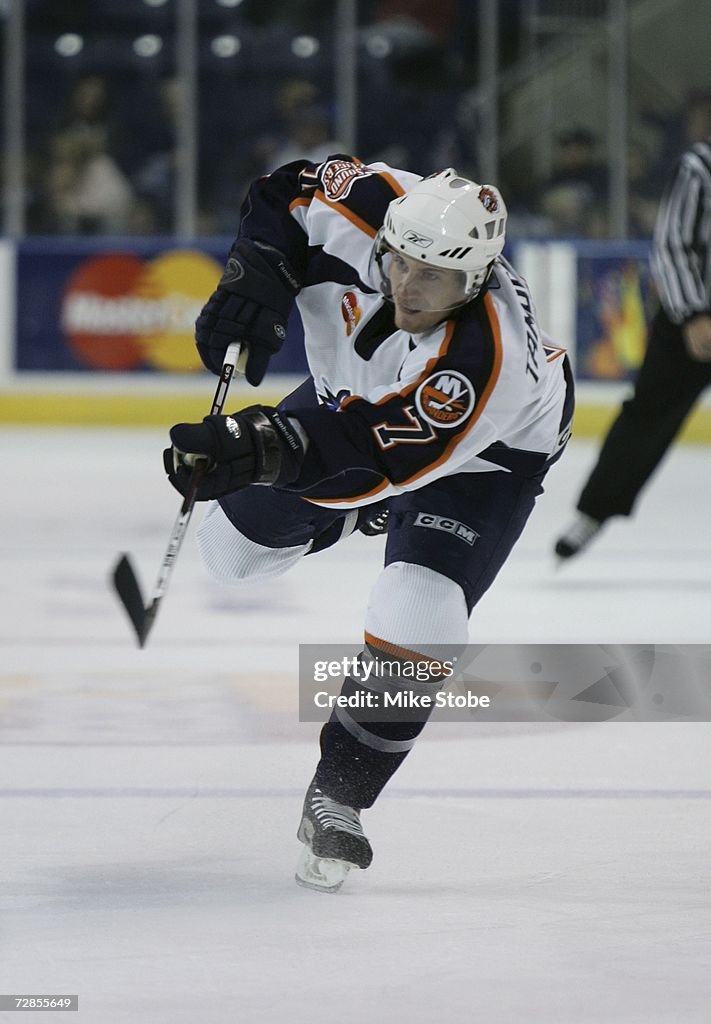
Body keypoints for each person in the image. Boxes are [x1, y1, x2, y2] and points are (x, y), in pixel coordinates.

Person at [163, 156, 574, 891]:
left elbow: (365, 459)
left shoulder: (488, 365)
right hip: (354, 407)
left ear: (475, 279)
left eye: (436, 279)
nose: (408, 289)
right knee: (230, 557)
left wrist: (254, 450)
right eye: (400, 263)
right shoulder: (372, 204)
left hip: (486, 457)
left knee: (423, 612)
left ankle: (341, 795)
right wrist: (255, 270)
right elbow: (284, 190)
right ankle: (359, 521)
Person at [555, 134, 711, 560]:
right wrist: (694, 313)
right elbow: (675, 241)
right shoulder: (701, 166)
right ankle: (594, 511)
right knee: (647, 416)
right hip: (693, 318)